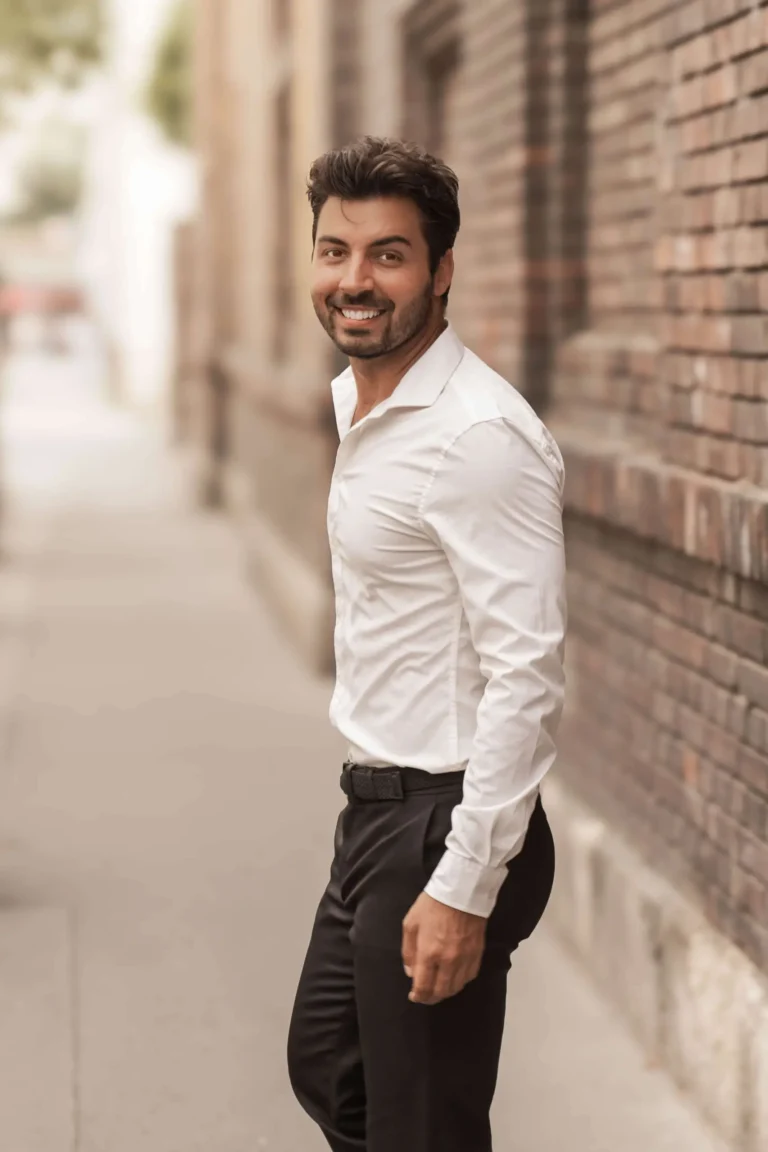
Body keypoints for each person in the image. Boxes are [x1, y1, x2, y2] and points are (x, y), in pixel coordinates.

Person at [287, 136, 567, 1152]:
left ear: (440, 272)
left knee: (421, 1128)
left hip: (444, 820)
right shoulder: (366, 408)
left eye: (388, 255)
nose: (354, 280)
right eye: (335, 251)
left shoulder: (474, 437)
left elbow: (527, 674)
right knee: (332, 1072)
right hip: (376, 813)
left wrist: (463, 882)